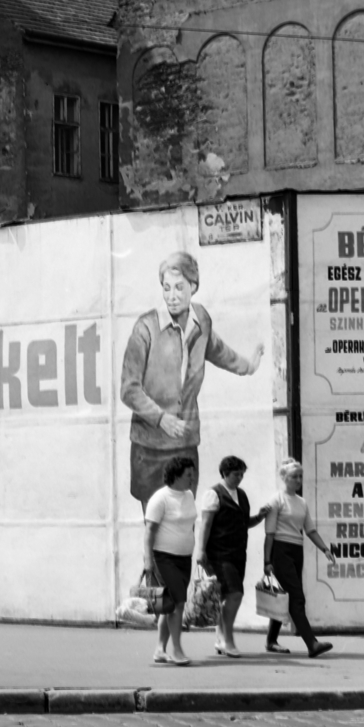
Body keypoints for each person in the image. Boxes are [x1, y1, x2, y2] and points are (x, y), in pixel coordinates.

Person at [120, 251, 265, 512]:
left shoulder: (201, 321)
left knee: (184, 520)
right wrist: (161, 418)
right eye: (166, 288)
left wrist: (248, 366)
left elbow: (218, 350)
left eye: (179, 287)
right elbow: (129, 389)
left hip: (186, 446)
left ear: (193, 286)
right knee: (156, 526)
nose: (171, 296)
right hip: (150, 449)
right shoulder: (145, 329)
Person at [195, 454, 270, 658]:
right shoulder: (213, 494)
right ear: (225, 473)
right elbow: (206, 524)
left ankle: (220, 637)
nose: (240, 478)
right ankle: (228, 640)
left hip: (238, 553)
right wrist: (200, 550)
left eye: (242, 474)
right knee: (235, 594)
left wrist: (259, 517)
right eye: (237, 474)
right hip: (219, 553)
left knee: (228, 596)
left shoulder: (242, 494)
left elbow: (242, 522)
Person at [262, 458, 335, 658]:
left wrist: (324, 549)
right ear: (284, 478)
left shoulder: (301, 502)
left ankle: (271, 640)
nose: (298, 480)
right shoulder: (276, 500)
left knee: (283, 597)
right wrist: (267, 562)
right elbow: (269, 534)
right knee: (296, 597)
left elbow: (310, 530)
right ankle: (312, 643)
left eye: (300, 476)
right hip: (280, 550)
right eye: (294, 476)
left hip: (296, 550)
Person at [143, 455, 200, 666]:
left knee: (169, 605)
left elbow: (190, 525)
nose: (192, 478)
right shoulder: (160, 498)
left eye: (192, 474)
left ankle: (159, 649)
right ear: (175, 475)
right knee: (178, 603)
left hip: (184, 558)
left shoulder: (189, 496)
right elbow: (149, 532)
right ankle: (177, 650)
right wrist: (148, 562)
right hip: (163, 558)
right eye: (188, 475)